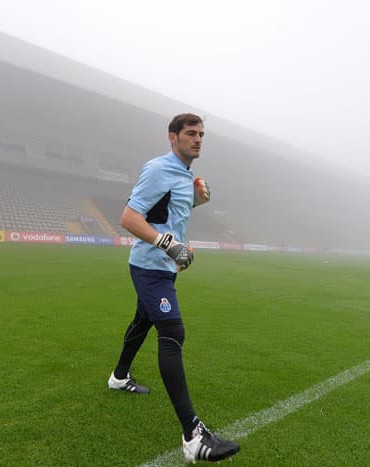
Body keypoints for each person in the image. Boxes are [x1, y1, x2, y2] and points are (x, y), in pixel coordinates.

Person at [108, 113, 240, 463]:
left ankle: (119, 378)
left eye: (201, 134)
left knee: (142, 323)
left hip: (165, 267)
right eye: (191, 133)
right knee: (172, 330)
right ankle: (193, 437)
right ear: (172, 137)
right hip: (149, 267)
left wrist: (196, 201)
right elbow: (129, 217)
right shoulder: (158, 168)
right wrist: (169, 245)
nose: (198, 139)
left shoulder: (184, 175)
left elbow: (165, 213)